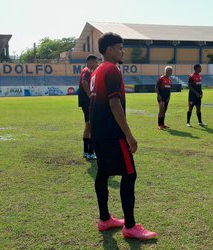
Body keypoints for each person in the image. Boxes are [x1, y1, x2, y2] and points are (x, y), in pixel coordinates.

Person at [89, 32, 157, 240]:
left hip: (98, 133)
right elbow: (114, 103)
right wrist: (129, 135)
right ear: (109, 50)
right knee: (130, 174)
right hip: (113, 134)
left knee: (103, 172)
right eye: (120, 48)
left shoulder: (97, 71)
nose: (123, 51)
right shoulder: (112, 70)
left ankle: (104, 219)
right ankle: (129, 226)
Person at [78, 54, 98, 160]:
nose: (97, 64)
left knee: (88, 126)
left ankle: (86, 151)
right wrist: (90, 95)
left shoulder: (85, 70)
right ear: (91, 61)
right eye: (96, 62)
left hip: (85, 103)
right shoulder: (87, 71)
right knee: (91, 126)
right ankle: (91, 152)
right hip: (88, 103)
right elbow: (84, 82)